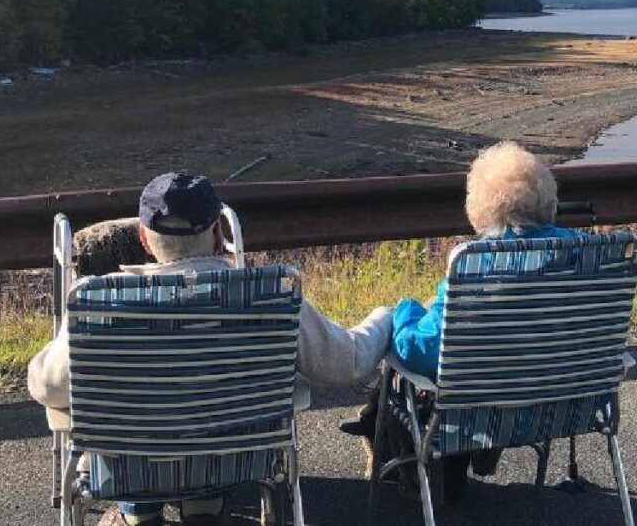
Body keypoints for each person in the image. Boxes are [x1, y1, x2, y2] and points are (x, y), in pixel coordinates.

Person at [28, 172, 393, 526]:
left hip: (132, 467)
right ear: (219, 232)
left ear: (143, 237)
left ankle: (137, 512)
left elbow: (47, 387)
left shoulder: (100, 303)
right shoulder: (270, 296)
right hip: (235, 464)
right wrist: (385, 318)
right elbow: (347, 362)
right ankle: (205, 504)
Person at [340, 142, 584, 495]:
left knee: (407, 366)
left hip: (481, 411)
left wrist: (404, 311)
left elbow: (420, 352)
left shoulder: (477, 266)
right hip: (562, 406)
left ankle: (402, 454)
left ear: (481, 207)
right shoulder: (586, 254)